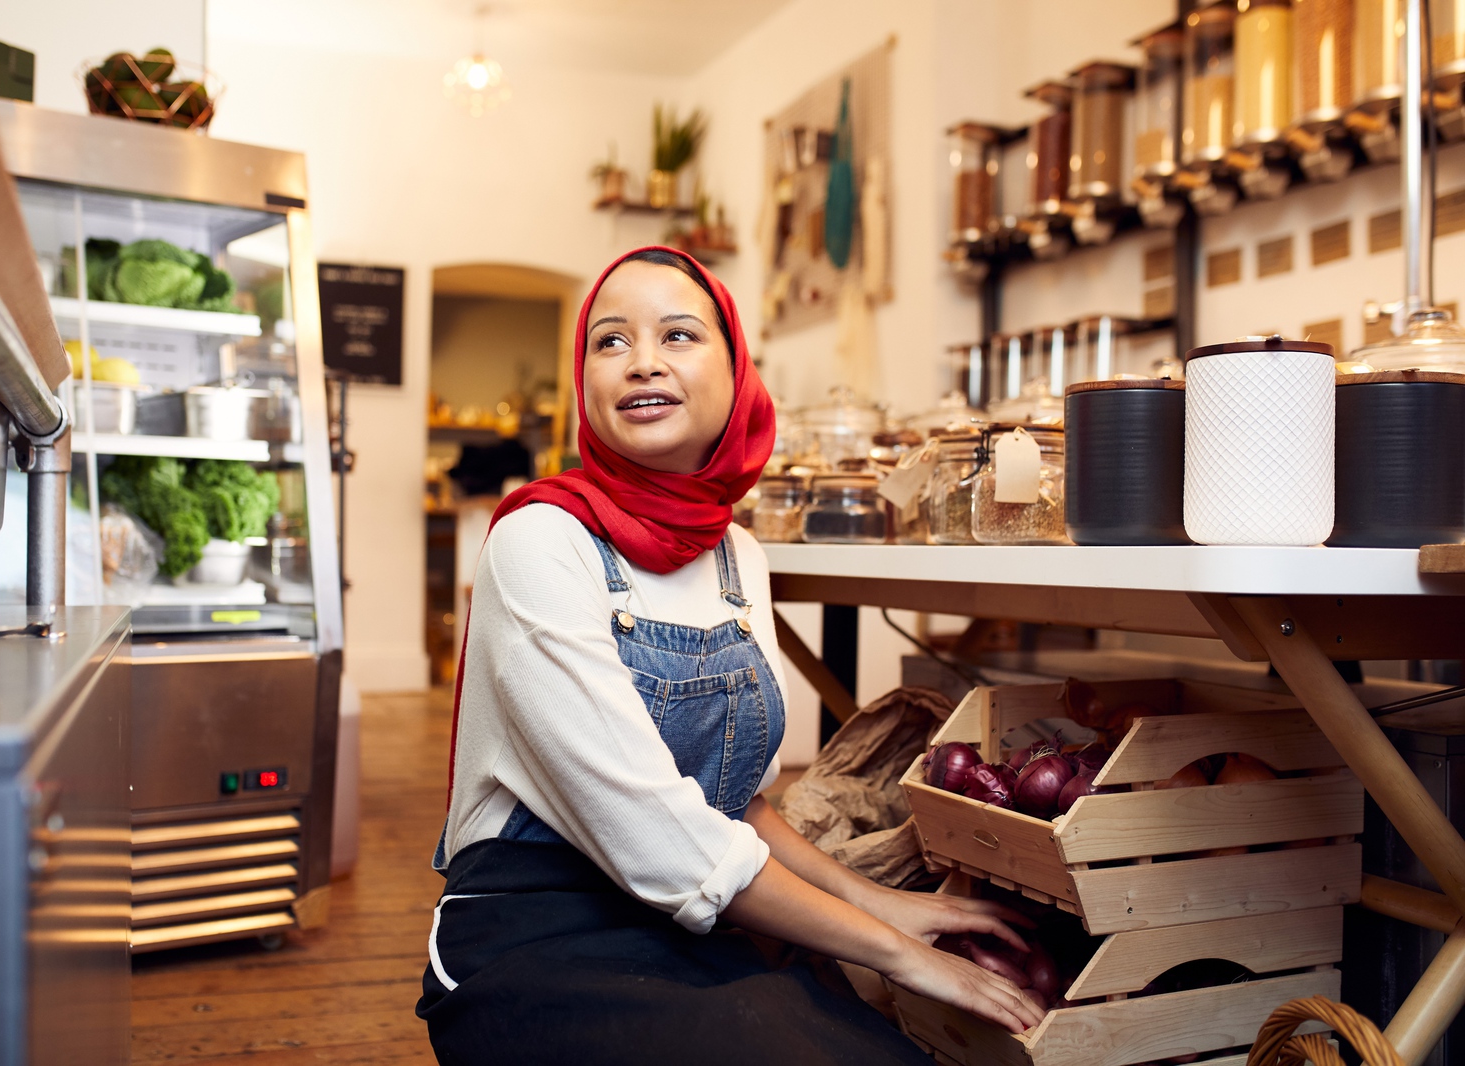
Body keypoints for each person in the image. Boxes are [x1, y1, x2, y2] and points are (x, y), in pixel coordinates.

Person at [418, 247, 1043, 1063]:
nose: (642, 362)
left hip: (699, 919)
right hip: (535, 934)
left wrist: (880, 903)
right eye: (609, 342)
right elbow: (660, 838)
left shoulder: (736, 553)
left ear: (736, 369)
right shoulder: (539, 541)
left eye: (678, 335)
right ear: (585, 382)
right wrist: (897, 953)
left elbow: (730, 803)